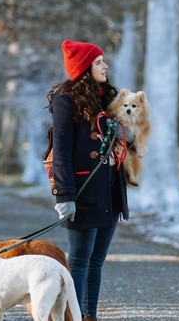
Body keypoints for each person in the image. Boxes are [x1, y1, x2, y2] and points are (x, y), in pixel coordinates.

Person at [46, 39, 129, 321]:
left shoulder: (107, 98)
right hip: (82, 191)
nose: (105, 66)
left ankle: (90, 315)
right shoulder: (65, 100)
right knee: (80, 261)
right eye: (98, 62)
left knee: (97, 260)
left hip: (109, 191)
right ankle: (75, 315)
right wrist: (65, 196)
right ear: (84, 68)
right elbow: (62, 152)